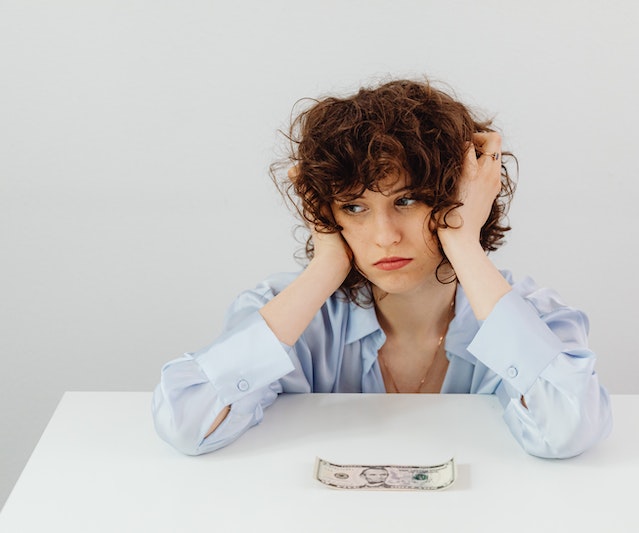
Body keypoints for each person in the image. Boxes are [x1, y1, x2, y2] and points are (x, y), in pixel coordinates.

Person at [152, 79, 612, 459]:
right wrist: (326, 265)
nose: (384, 235)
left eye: (406, 200)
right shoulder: (289, 314)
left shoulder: (531, 317)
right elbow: (187, 424)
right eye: (353, 207)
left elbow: (567, 429)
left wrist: (461, 241)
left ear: (461, 197)